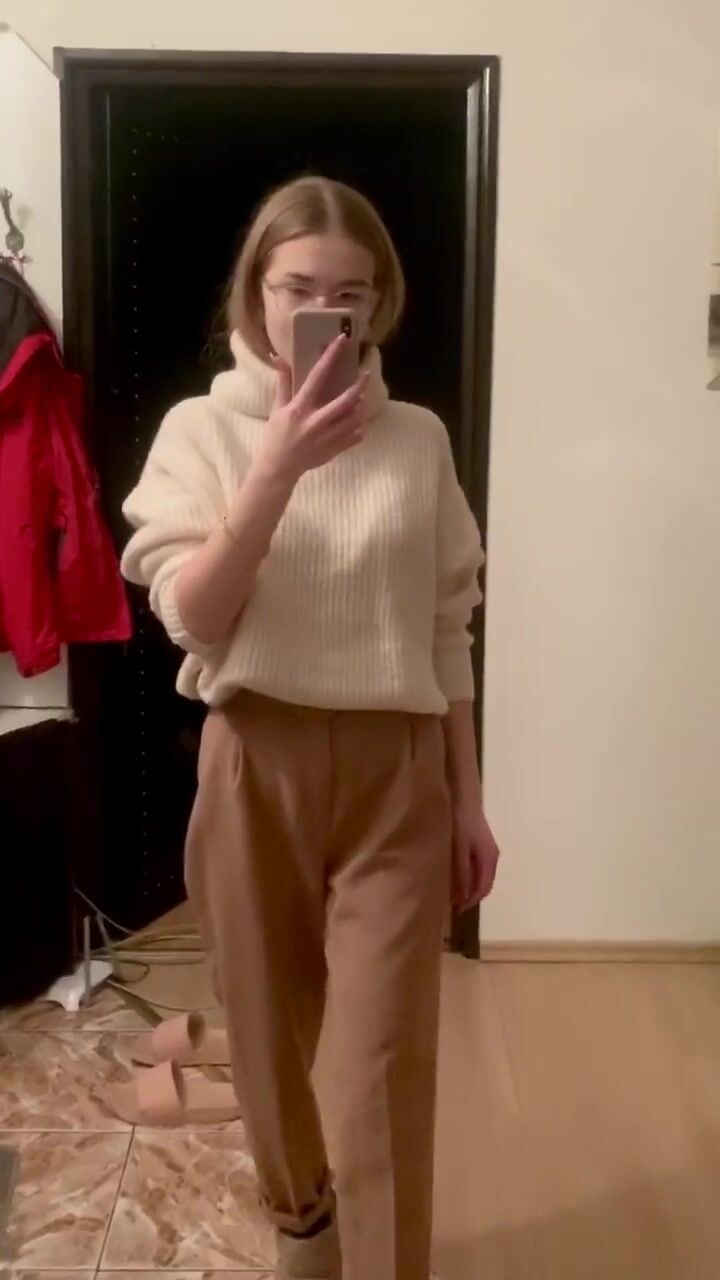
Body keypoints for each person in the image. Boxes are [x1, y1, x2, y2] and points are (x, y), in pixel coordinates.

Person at [121, 176, 500, 1280]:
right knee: (269, 1036)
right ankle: (303, 1227)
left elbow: (446, 627)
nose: (323, 311)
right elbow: (194, 615)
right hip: (255, 757)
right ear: (256, 290)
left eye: (351, 292)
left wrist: (469, 800)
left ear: (380, 303)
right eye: (298, 287)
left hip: (398, 770)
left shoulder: (417, 439)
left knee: (384, 1057)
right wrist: (279, 463)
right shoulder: (200, 431)